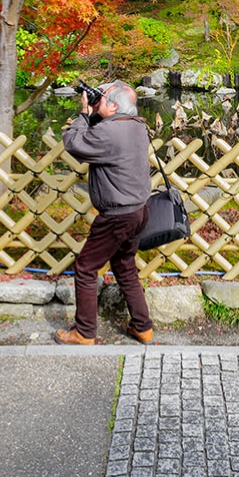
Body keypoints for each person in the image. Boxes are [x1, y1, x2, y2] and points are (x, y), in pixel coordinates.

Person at [54, 81, 156, 345]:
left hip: (117, 215)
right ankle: (143, 328)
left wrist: (85, 114)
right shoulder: (137, 126)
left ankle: (84, 332)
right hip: (138, 210)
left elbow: (73, 143)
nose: (97, 100)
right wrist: (98, 108)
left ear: (113, 105)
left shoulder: (110, 132)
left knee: (86, 268)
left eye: (103, 97)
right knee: (124, 266)